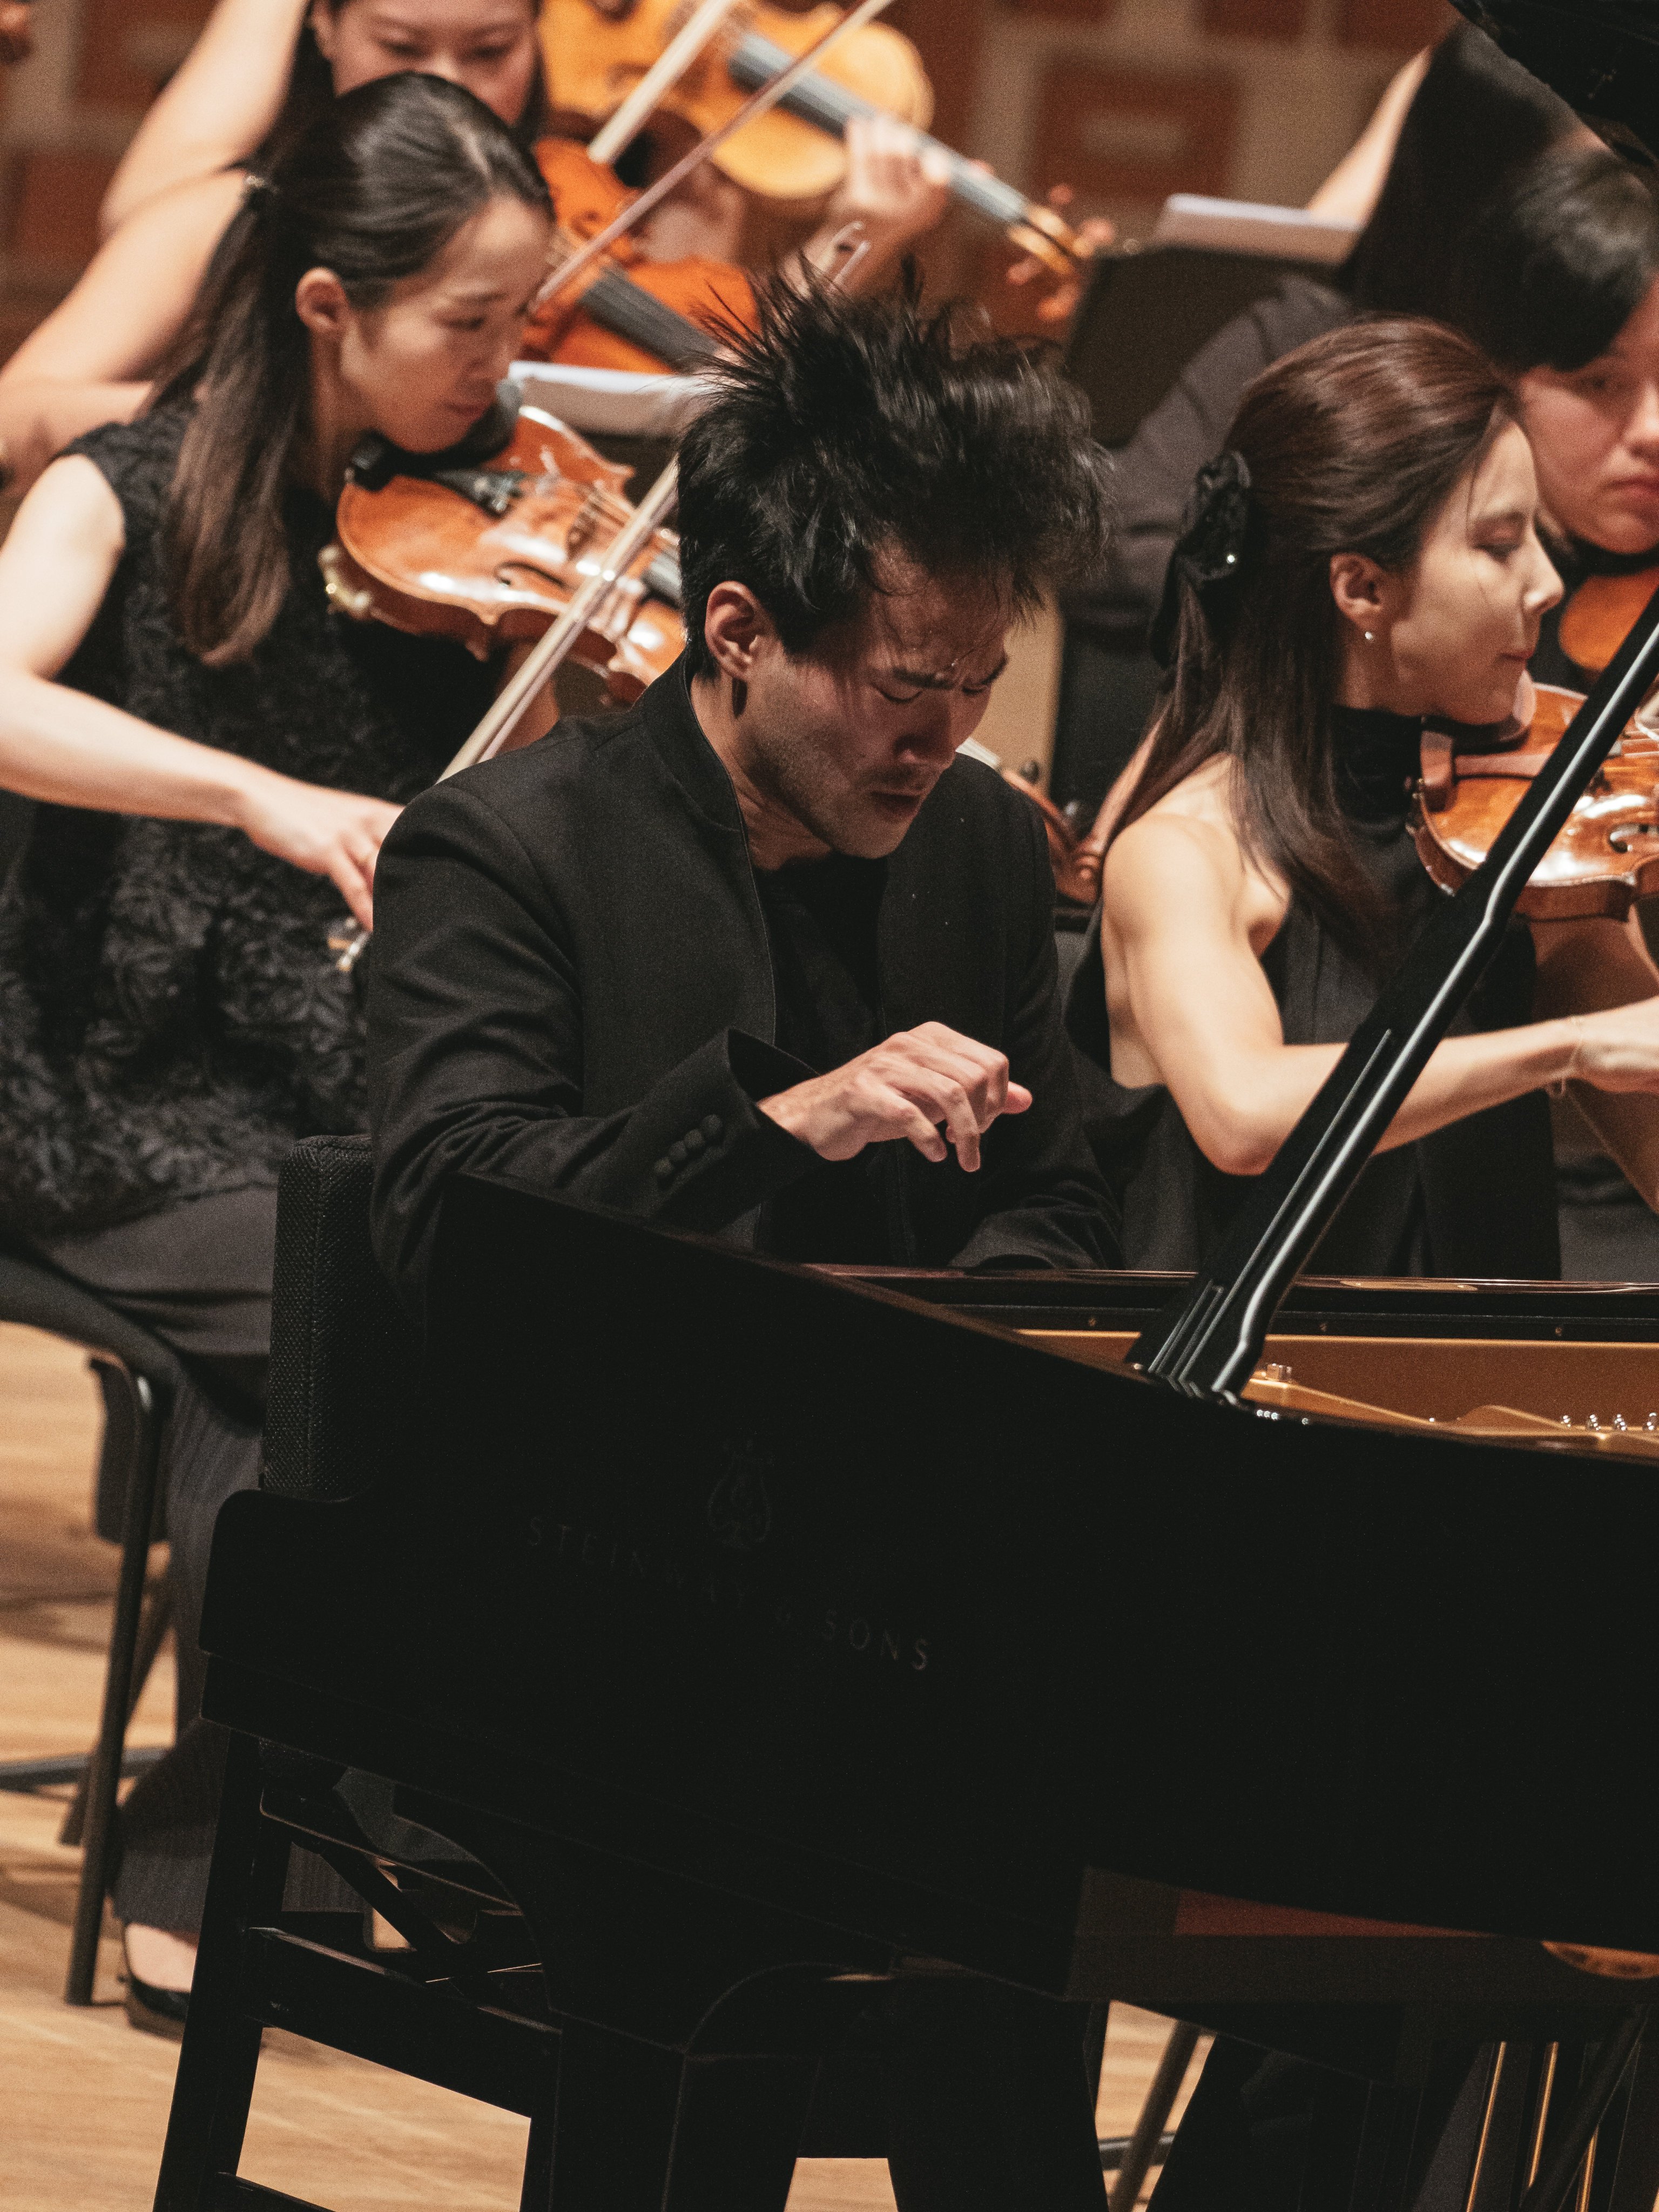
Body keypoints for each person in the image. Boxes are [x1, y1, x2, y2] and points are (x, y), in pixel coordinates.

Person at [366, 270, 1117, 2208]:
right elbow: (449, 1228)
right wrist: (772, 1117)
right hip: (548, 1566)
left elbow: (1055, 1192)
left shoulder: (967, 842)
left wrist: (983, 1355)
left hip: (865, 1576)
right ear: (735, 630)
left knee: (1049, 1800)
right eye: (899, 686)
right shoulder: (506, 852)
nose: (942, 736)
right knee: (807, 1809)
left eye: (976, 685)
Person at [0, 70, 558, 2027]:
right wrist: (245, 796)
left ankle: (228, 1842)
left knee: (375, 1330)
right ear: (329, 306)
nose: (506, 368)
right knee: (359, 1305)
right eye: (469, 323)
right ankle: (373, 1822)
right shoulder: (123, 489)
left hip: (320, 1097)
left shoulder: (463, 543)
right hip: (86, 1089)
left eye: (525, 320)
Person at [1068, 318, 1659, 1287]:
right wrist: (1571, 1048)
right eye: (1500, 544)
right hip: (1251, 1407)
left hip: (1498, 1405)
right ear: (1361, 587)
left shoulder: (1522, 835)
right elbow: (1244, 1116)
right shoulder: (1187, 851)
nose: (1547, 585)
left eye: (1537, 540)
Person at [0, 0, 949, 494]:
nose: (447, 83)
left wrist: (855, 241)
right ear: (322, 26)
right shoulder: (225, 215)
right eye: (402, 44)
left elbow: (722, 377)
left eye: (491, 49)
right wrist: (282, 412)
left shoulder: (583, 199)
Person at [1063, 21, 1581, 709]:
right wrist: (1339, 612)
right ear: (1484, 193)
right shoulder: (1308, 336)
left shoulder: (1607, 349)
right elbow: (1114, 549)